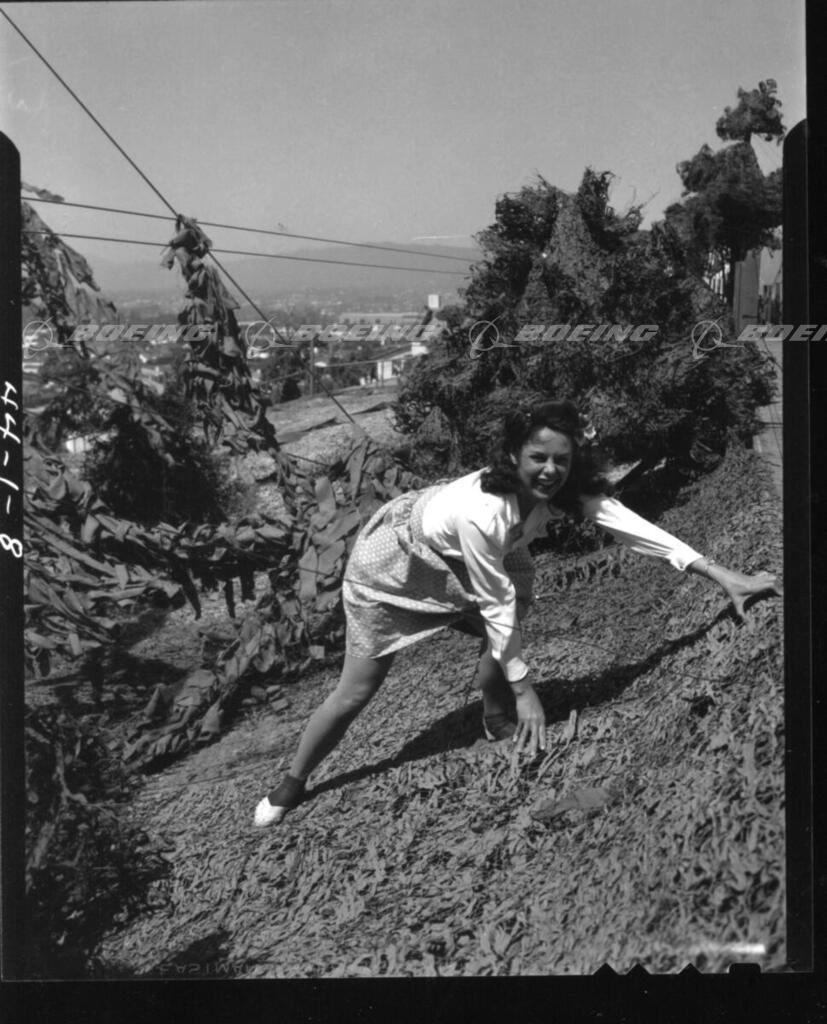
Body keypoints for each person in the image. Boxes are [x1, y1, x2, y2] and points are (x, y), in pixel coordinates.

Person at [254, 399, 779, 828]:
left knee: (505, 625)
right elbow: (495, 602)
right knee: (356, 691)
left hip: (478, 557)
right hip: (397, 565)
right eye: (537, 458)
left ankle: (495, 716)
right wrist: (528, 692)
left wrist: (718, 573)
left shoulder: (561, 489)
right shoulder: (483, 512)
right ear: (513, 454)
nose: (550, 471)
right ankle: (292, 783)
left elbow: (629, 526)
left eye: (561, 460)